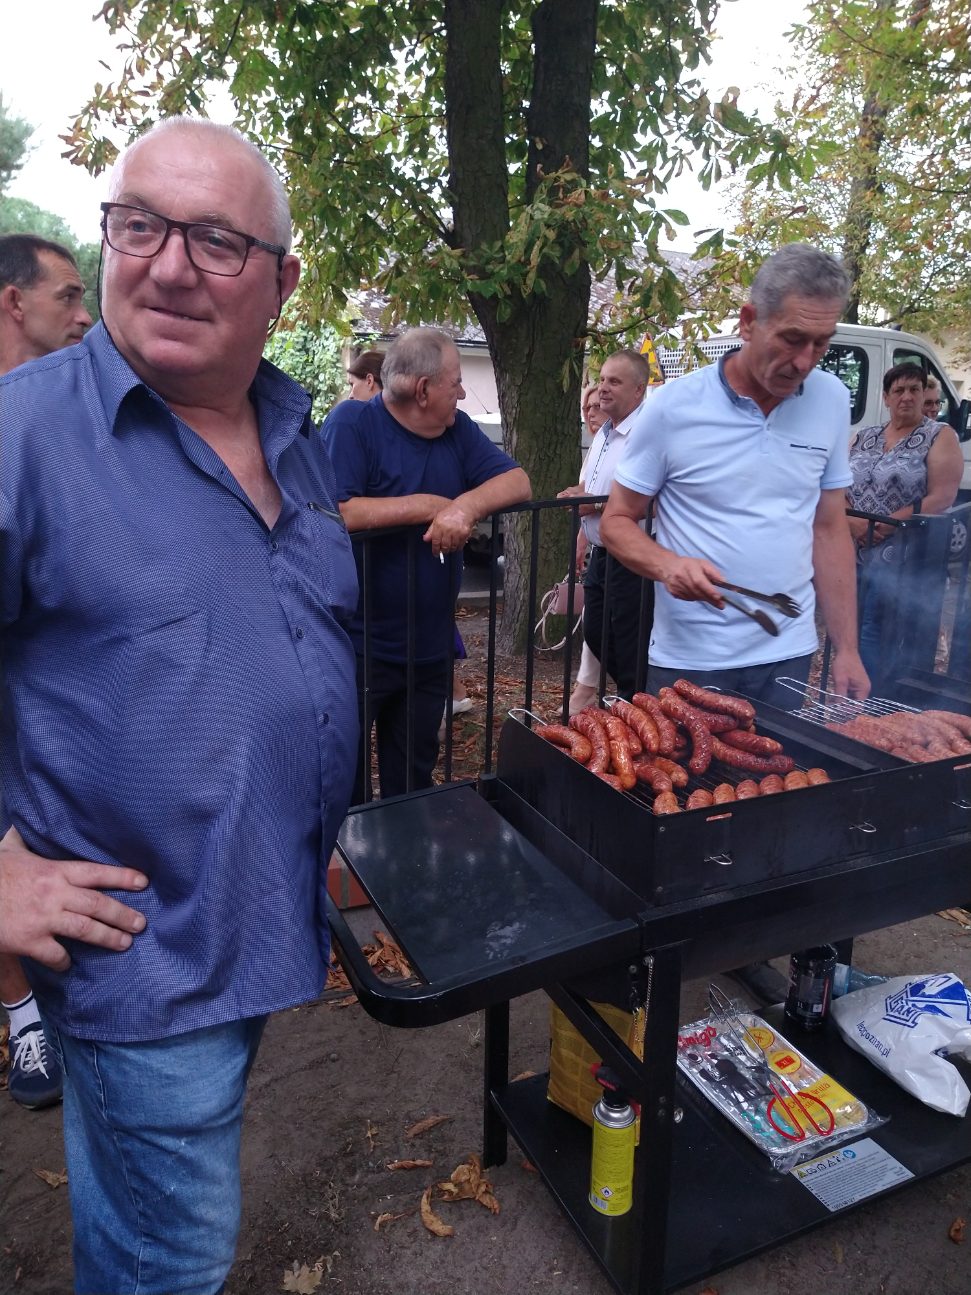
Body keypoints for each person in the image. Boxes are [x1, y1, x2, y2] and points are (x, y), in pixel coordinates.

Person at [0, 117, 359, 1295]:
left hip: (266, 918)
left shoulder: (299, 436)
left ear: (281, 281)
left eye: (214, 238)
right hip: (144, 964)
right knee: (171, 1261)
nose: (165, 263)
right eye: (138, 224)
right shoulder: (23, 433)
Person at [601, 243, 869, 1005]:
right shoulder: (673, 406)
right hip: (690, 661)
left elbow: (828, 527)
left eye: (822, 342)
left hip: (786, 655)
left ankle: (757, 947)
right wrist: (666, 564)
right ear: (747, 320)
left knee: (779, 816)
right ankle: (667, 966)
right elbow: (618, 522)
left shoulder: (825, 402)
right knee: (684, 823)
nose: (807, 360)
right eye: (792, 338)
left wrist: (844, 646)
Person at [323, 327, 530, 802]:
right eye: (455, 382)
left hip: (428, 647)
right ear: (423, 389)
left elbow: (517, 481)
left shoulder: (456, 430)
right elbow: (341, 511)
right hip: (358, 645)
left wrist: (463, 509)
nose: (461, 392)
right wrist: (430, 505)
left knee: (413, 774)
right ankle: (352, 870)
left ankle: (402, 867)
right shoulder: (353, 424)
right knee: (346, 778)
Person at [0, 234, 93, 1110]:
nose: (85, 315)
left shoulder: (76, 414)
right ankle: (24, 1019)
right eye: (67, 296)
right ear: (10, 302)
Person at [848, 362, 963, 692]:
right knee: (848, 625)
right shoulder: (865, 436)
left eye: (914, 389)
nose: (907, 396)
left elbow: (942, 495)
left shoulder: (939, 436)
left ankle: (868, 701)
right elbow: (838, 485)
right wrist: (853, 521)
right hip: (852, 549)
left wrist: (889, 523)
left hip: (899, 554)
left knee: (874, 626)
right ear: (886, 397)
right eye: (899, 390)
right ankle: (850, 700)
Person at [559, 350, 655, 700]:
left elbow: (657, 499)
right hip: (601, 551)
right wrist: (578, 494)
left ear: (639, 390)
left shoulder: (649, 432)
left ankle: (638, 705)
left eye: (614, 381)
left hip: (633, 555)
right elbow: (598, 486)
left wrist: (595, 503)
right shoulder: (603, 433)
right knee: (597, 634)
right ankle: (634, 697)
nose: (603, 389)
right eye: (602, 380)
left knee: (631, 640)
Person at [564, 384, 607, 714]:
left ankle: (587, 690)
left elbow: (631, 498)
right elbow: (589, 492)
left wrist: (589, 503)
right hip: (599, 548)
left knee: (605, 624)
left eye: (597, 407)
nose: (590, 413)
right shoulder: (596, 447)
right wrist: (580, 542)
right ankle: (586, 691)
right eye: (586, 408)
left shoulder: (627, 443)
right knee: (594, 621)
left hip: (623, 550)